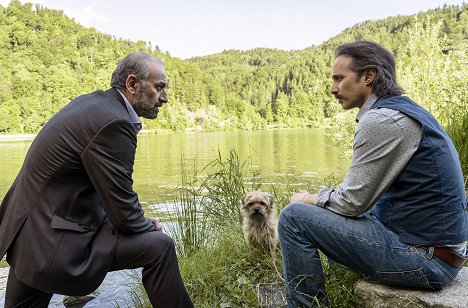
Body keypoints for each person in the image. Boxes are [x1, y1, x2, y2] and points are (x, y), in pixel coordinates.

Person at [278, 40, 468, 307]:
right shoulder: (404, 109)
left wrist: (309, 198)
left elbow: (352, 202)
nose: (333, 88)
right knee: (328, 211)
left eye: (339, 79)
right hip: (441, 251)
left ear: (368, 76)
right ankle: (337, 289)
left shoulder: (382, 120)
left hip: (428, 261)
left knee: (294, 217)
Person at [0, 52, 194, 307]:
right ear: (133, 84)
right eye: (159, 88)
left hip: (30, 229)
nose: (165, 98)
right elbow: (124, 213)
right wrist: (148, 224)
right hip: (52, 238)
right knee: (160, 247)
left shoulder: (93, 105)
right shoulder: (114, 123)